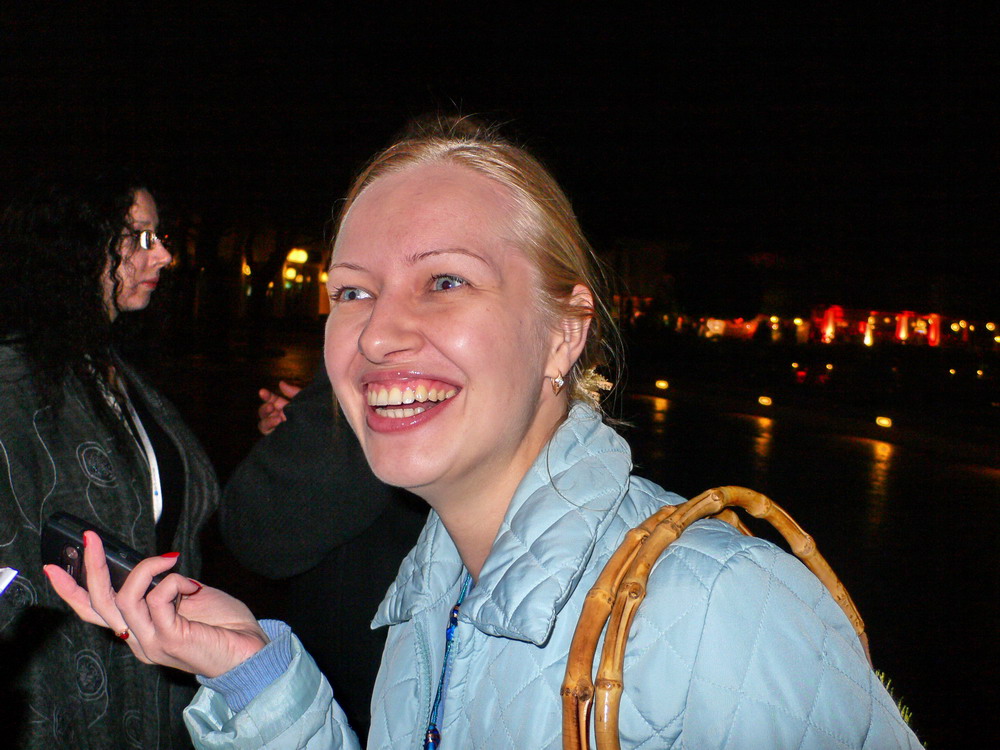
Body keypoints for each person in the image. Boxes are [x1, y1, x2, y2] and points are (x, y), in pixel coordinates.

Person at [47, 118, 923, 749]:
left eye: (446, 282)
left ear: (564, 332)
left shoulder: (713, 611)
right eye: (352, 291)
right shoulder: (434, 598)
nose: (377, 333)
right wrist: (251, 673)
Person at [0, 172, 219, 749]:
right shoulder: (14, 382)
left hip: (152, 687)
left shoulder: (114, 370)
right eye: (139, 237)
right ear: (72, 244)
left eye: (159, 236)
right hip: (63, 700)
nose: (163, 255)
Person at [220, 363, 426, 740]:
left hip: (371, 694)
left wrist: (319, 424)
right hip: (387, 673)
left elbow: (260, 527)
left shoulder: (382, 358)